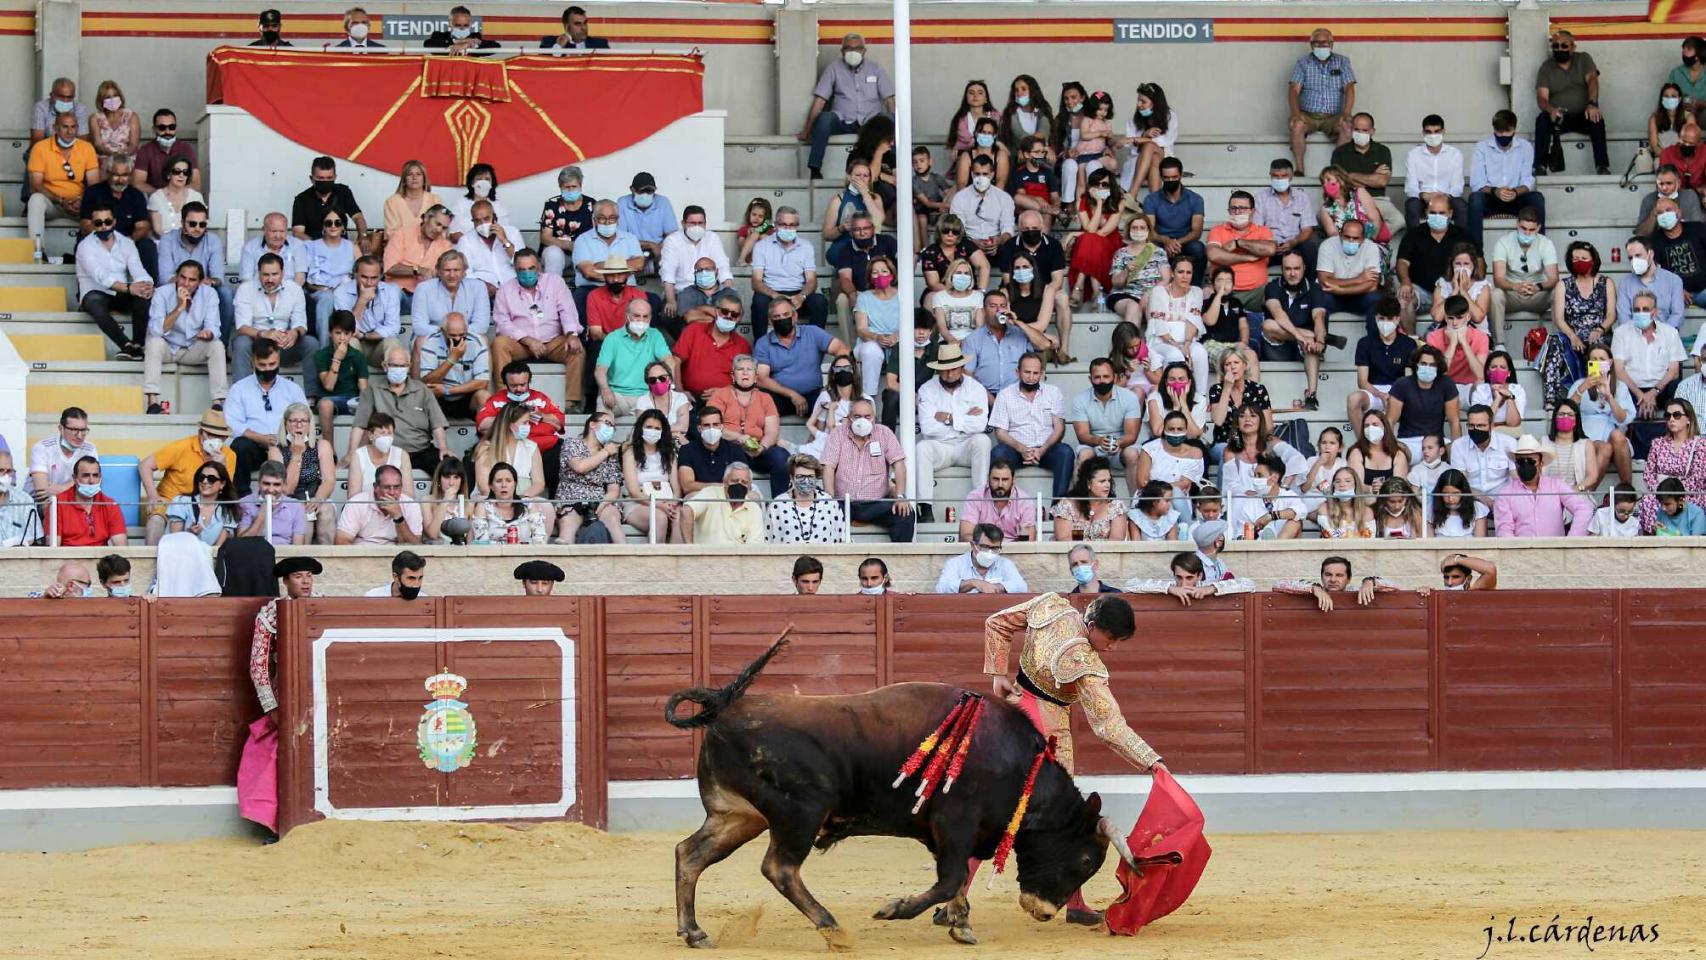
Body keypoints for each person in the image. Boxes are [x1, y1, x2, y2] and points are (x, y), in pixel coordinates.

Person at [797, 33, 895, 182]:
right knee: (824, 118)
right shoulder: (833, 68)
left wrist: (898, 127)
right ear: (842, 51)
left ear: (864, 51)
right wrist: (807, 129)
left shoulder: (876, 69)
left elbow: (889, 100)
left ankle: (895, 168)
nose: (853, 52)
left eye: (857, 48)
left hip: (870, 123)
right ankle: (815, 168)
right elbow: (820, 100)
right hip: (842, 120)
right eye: (848, 48)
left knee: (888, 121)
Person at [820, 398, 914, 542]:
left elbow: (899, 464)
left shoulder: (884, 433)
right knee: (823, 512)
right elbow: (828, 467)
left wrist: (900, 496)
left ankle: (899, 562)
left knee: (905, 513)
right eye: (857, 416)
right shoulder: (838, 434)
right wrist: (830, 499)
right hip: (844, 503)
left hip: (876, 504)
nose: (862, 420)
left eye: (867, 417)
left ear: (874, 418)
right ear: (849, 418)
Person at [914, 343, 991, 518]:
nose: (949, 374)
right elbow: (928, 428)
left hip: (966, 447)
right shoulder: (927, 389)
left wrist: (949, 418)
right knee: (922, 447)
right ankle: (925, 508)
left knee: (982, 440)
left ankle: (981, 504)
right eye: (945, 369)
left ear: (962, 367)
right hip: (940, 447)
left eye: (954, 369)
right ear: (939, 369)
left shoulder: (976, 388)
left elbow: (980, 425)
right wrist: (964, 418)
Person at [350, 346, 451, 476]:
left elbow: (437, 423)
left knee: (449, 470)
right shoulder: (372, 390)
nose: (398, 369)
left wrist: (443, 447)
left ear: (409, 366)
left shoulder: (422, 390)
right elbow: (360, 425)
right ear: (385, 366)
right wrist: (352, 453)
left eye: (402, 365)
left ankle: (436, 495)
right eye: (393, 365)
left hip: (421, 450)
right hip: (385, 452)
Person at [76, 196, 156, 359]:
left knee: (143, 296)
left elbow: (137, 269)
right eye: (98, 223)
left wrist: (146, 285)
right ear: (92, 224)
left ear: (114, 222)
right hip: (96, 292)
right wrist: (129, 288)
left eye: (107, 221)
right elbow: (101, 277)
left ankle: (138, 344)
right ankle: (126, 345)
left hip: (121, 293)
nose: (104, 226)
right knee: (94, 302)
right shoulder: (85, 246)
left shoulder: (126, 243)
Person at [144, 258, 227, 414]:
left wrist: (208, 333)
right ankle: (152, 402)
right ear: (176, 277)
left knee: (216, 345)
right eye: (183, 277)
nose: (186, 283)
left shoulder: (209, 294)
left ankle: (218, 402)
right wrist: (180, 307)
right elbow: (157, 330)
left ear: (201, 281)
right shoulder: (162, 293)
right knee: (154, 342)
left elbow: (214, 327)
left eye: (192, 280)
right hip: (168, 347)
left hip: (192, 348)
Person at [225, 341, 308, 494]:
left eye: (272, 364)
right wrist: (260, 438)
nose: (267, 369)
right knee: (239, 447)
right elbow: (232, 424)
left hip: (286, 445)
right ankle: (242, 499)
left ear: (279, 361)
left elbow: (304, 418)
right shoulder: (239, 389)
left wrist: (286, 438)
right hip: (254, 446)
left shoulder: (292, 389)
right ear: (253, 362)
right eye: (262, 365)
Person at [989, 352, 1071, 499]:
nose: (1031, 377)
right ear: (1017, 372)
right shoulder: (1005, 395)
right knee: (998, 453)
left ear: (1042, 374)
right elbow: (1000, 433)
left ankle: (1059, 506)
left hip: (1046, 449)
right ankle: (1000, 503)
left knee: (1065, 452)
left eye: (1035, 373)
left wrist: (1042, 450)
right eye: (1027, 372)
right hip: (1016, 450)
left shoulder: (1053, 392)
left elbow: (1059, 428)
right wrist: (1022, 449)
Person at [1262, 251, 1335, 410]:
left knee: (1312, 344)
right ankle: (1313, 338)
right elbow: (1279, 316)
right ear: (1282, 269)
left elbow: (1318, 318)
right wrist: (1303, 336)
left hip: (1304, 349)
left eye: (1296, 268)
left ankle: (1312, 396)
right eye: (1288, 269)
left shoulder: (1314, 289)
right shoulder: (1272, 287)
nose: (1292, 273)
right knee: (1268, 325)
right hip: (1278, 348)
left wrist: (1319, 341)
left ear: (1304, 268)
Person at [754, 300, 850, 418]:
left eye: (785, 315)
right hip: (780, 395)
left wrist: (832, 382)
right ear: (770, 320)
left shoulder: (812, 332)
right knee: (757, 405)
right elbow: (761, 378)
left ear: (795, 316)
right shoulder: (763, 343)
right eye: (776, 316)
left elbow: (842, 350)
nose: (782, 319)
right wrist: (792, 394)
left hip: (813, 394)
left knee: (833, 405)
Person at [232, 253, 316, 388]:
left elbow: (301, 324)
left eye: (274, 274)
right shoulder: (246, 289)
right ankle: (240, 394)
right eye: (265, 275)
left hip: (284, 345)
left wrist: (294, 333)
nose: (270, 279)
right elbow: (242, 327)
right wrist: (264, 334)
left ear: (282, 273)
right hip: (257, 343)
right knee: (241, 343)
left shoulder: (294, 289)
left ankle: (311, 398)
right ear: (258, 273)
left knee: (310, 343)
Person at [27, 111, 101, 265]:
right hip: (53, 203)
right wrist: (60, 200)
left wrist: (81, 201)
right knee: (35, 200)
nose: (70, 131)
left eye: (73, 127)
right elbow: (35, 185)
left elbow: (94, 185)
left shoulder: (86, 148)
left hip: (78, 205)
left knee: (100, 203)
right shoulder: (41, 148)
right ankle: (38, 252)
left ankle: (96, 257)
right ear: (55, 128)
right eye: (65, 127)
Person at [1534, 30, 1610, 177]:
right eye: (1555, 46)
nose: (1559, 49)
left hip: (1584, 114)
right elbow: (1541, 97)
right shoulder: (1546, 68)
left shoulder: (1583, 59)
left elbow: (1593, 81)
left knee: (1597, 120)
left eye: (1564, 46)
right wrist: (1551, 110)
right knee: (1542, 120)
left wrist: (1592, 103)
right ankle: (1540, 166)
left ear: (1573, 47)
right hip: (1560, 117)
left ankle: (1602, 166)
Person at [749, 206, 829, 339]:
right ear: (775, 225)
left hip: (797, 294)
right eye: (783, 225)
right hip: (772, 293)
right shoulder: (762, 246)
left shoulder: (806, 246)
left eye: (792, 225)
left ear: (797, 226)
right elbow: (756, 281)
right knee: (759, 302)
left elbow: (811, 281)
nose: (788, 229)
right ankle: (760, 348)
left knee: (819, 302)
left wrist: (802, 296)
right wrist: (774, 295)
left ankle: (816, 345)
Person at [1467, 110, 1543, 249]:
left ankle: (1540, 249)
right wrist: (1495, 191)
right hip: (1491, 197)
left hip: (1516, 197)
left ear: (1514, 129)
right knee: (1475, 199)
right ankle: (1476, 254)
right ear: (1494, 129)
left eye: (1506, 131)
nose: (1502, 135)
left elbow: (1527, 180)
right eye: (1499, 131)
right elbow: (1477, 182)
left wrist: (1515, 192)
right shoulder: (1482, 147)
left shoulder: (1525, 147)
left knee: (1537, 198)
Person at [156, 203, 233, 338]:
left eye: (202, 225)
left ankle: (221, 344)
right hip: (175, 287)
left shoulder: (213, 240)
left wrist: (208, 282)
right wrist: (187, 284)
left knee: (225, 293)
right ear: (182, 223)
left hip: (204, 288)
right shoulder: (167, 239)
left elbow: (218, 277)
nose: (197, 229)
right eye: (192, 224)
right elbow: (165, 277)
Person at [1491, 434, 1591, 537]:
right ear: (1515, 465)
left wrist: (1572, 540)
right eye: (1521, 461)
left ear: (1541, 463)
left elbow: (1583, 509)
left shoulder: (1556, 485)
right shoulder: (1505, 494)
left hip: (1555, 550)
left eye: (1531, 461)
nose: (1525, 465)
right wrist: (1517, 551)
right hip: (1522, 551)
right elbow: (1504, 531)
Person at [267, 402, 337, 545]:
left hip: (315, 495)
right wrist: (296, 455)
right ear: (286, 424)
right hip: (289, 500)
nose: (299, 425)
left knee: (327, 511)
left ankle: (329, 560)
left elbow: (329, 480)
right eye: (293, 421)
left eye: (303, 421)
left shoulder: (321, 445)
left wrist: (318, 498)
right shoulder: (276, 450)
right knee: (304, 515)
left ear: (309, 425)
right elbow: (287, 489)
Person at [1488, 207, 1558, 349]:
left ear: (1538, 228)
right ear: (1517, 224)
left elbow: (1553, 278)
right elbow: (1498, 279)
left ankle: (1557, 342)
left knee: (1558, 291)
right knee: (1496, 294)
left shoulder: (1546, 243)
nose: (1527, 233)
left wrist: (1538, 287)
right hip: (1512, 294)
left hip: (1537, 294)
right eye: (1523, 228)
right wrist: (1515, 287)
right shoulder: (1503, 242)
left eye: (1531, 230)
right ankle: (1499, 344)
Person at [1568, 343, 1637, 487]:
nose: (1598, 363)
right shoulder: (1580, 384)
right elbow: (1567, 410)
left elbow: (1623, 418)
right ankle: (1586, 493)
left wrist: (1609, 397)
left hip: (1612, 437)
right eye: (1593, 360)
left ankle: (1627, 491)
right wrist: (1584, 387)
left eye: (1601, 359)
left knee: (1617, 436)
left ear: (1610, 362)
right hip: (1587, 437)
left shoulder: (1619, 386)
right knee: (1605, 448)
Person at [1287, 27, 1355, 169]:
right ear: (1311, 45)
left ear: (1331, 43)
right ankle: (1300, 169)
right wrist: (1296, 114)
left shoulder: (1342, 62)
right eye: (1317, 43)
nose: (1321, 46)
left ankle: (1337, 169)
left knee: (1348, 127)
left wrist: (1347, 112)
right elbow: (1294, 90)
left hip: (1333, 116)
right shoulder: (1303, 63)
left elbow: (1349, 88)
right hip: (1308, 115)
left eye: (1325, 43)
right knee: (1296, 125)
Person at [1071, 358, 1142, 493]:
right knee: (1084, 454)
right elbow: (1082, 435)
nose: (1102, 381)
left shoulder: (1130, 397)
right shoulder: (1079, 400)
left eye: (1106, 376)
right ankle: (1079, 503)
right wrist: (1099, 441)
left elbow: (1132, 435)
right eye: (1097, 377)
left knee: (1132, 454)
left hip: (1121, 447)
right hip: (1094, 445)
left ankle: (1136, 505)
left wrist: (1117, 443)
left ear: (1114, 377)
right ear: (1090, 378)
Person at [1397, 193, 1474, 317]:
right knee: (1404, 298)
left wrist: (1462, 286)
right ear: (1426, 212)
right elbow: (1402, 262)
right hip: (1422, 292)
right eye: (1433, 213)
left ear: (1450, 213)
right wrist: (1406, 281)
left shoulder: (1462, 236)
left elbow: (1478, 263)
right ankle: (1411, 336)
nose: (1437, 216)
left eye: (1442, 213)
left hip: (1453, 291)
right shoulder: (1413, 235)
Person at [1612, 292, 1687, 419]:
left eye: (1645, 309)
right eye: (1636, 310)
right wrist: (1641, 395)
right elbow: (1619, 371)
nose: (1640, 313)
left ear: (1654, 312)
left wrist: (1654, 392)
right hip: (1632, 388)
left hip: (1661, 388)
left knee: (1678, 386)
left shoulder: (1670, 333)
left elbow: (1674, 371)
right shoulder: (1621, 333)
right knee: (1618, 388)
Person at [1637, 398, 1706, 532]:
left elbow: (1699, 477)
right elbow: (1649, 474)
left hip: (1688, 493)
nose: (1671, 419)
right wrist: (1664, 492)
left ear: (1688, 419)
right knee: (1648, 501)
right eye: (1668, 416)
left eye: (1677, 415)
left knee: (1693, 504)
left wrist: (1674, 492)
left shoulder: (1700, 445)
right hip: (1661, 492)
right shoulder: (1658, 443)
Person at [552, 412, 623, 543]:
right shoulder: (572, 444)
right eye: (607, 423)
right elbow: (580, 467)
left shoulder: (611, 454)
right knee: (568, 525)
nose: (611, 428)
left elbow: (614, 489)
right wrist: (605, 452)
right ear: (592, 424)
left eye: (613, 426)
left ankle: (627, 558)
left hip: (600, 500)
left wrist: (601, 505)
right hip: (570, 497)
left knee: (613, 520)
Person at [83, 156, 156, 282]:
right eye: (116, 175)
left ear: (131, 175)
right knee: (82, 242)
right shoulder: (93, 193)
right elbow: (86, 225)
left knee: (147, 246)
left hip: (128, 241)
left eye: (125, 175)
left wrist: (126, 242)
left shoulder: (136, 195)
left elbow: (143, 226)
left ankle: (149, 290)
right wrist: (107, 242)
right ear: (108, 173)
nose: (120, 180)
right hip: (99, 239)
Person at [1347, 298, 1417, 429]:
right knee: (1353, 399)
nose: (1385, 323)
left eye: (1390, 319)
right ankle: (1362, 443)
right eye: (1381, 318)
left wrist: (1394, 395)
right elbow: (1362, 381)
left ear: (1397, 319)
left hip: (1398, 392)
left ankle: (1388, 442)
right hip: (1373, 391)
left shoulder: (1409, 344)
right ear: (1375, 318)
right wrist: (1380, 394)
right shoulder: (1365, 343)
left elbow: (1408, 379)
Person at [321, 256, 403, 364]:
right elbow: (346, 327)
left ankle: (394, 380)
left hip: (379, 344)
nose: (369, 283)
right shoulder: (341, 292)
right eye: (364, 277)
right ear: (355, 274)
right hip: (355, 341)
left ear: (381, 276)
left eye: (374, 278)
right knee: (348, 341)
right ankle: (352, 380)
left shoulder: (390, 292)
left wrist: (366, 336)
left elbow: (393, 328)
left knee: (393, 343)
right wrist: (362, 300)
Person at [1387, 344, 1463, 459]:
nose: (1427, 367)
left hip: (1436, 442)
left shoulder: (1446, 384)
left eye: (1432, 365)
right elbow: (1390, 420)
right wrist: (1390, 446)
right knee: (1399, 454)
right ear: (1416, 365)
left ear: (1438, 368)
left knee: (1454, 451)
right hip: (1408, 441)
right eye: (1423, 364)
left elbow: (1454, 421)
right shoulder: (1402, 385)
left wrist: (1458, 451)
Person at [1206, 191, 1277, 313]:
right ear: (1228, 211)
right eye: (1233, 208)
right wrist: (1247, 258)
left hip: (1257, 292)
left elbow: (1270, 249)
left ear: (1252, 211)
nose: (1237, 212)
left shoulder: (1262, 231)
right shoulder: (1217, 230)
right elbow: (1214, 255)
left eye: (1242, 208)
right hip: (1224, 290)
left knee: (1275, 293)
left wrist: (1239, 243)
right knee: (1206, 293)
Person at [622, 409, 685, 543]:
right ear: (641, 429)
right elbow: (633, 491)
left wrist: (672, 504)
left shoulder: (669, 455)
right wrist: (658, 505)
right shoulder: (630, 453)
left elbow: (677, 489)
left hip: (667, 503)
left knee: (680, 515)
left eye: (657, 428)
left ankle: (675, 561)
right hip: (637, 504)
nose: (653, 431)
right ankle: (657, 562)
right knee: (659, 517)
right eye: (649, 427)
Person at [1140, 156, 1208, 281]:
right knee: (1147, 247)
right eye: (1166, 178)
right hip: (1160, 241)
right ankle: (1151, 289)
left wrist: (1176, 243)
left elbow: (1196, 232)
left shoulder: (1195, 199)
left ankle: (1194, 289)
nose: (1170, 180)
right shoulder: (1151, 199)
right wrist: (1166, 241)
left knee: (1198, 248)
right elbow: (1149, 230)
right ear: (1161, 177)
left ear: (1180, 175)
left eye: (1174, 177)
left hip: (1185, 242)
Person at [661, 206, 734, 320]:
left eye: (700, 223)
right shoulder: (672, 241)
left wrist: (728, 295)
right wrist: (671, 301)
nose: (697, 226)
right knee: (670, 314)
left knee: (732, 309)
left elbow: (723, 269)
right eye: (692, 223)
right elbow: (668, 274)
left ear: (705, 224)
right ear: (683, 223)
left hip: (710, 292)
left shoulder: (712, 238)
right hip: (682, 293)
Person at [417, 311, 492, 419]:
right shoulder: (431, 342)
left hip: (466, 395)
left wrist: (448, 390)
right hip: (439, 398)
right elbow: (427, 381)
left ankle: (485, 434)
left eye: (462, 335)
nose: (457, 339)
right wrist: (452, 359)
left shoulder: (477, 343)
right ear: (443, 331)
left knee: (484, 397)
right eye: (452, 335)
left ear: (467, 330)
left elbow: (482, 383)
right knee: (424, 396)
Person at [1067, 168, 1124, 308]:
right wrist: (1099, 204)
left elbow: (1103, 232)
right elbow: (1090, 229)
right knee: (1090, 239)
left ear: (1111, 187)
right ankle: (1097, 291)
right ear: (1090, 186)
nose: (1100, 187)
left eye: (1104, 185)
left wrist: (1076, 234)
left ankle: (1078, 286)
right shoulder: (1082, 200)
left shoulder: (1119, 201)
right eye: (1096, 184)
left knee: (1090, 239)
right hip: (1086, 245)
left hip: (1110, 244)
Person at [381, 204, 453, 311]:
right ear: (426, 217)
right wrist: (418, 270)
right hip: (400, 292)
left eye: (444, 228)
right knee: (392, 293)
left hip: (427, 296)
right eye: (437, 224)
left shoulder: (446, 245)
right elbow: (389, 268)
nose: (439, 230)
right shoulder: (402, 234)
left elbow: (447, 274)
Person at [764, 453, 847, 544]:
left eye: (810, 476)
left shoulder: (830, 503)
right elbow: (768, 541)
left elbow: (842, 538)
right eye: (801, 476)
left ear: (816, 478)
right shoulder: (777, 505)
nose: (806, 480)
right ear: (791, 478)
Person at [1125, 550, 1257, 606]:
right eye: (1179, 577)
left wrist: (1211, 588)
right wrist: (1169, 588)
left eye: (1189, 578)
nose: (1183, 584)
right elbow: (1129, 584)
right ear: (1174, 575)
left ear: (1199, 576)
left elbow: (1250, 584)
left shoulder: (1206, 585)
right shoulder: (1171, 585)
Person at [46, 457, 126, 548]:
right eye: (86, 475)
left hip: (101, 559)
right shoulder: (57, 504)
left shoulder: (110, 504)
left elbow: (121, 546)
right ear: (75, 478)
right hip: (69, 559)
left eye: (95, 475)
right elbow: (53, 550)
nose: (91, 481)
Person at [290, 156, 368, 249]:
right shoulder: (302, 199)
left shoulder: (343, 192)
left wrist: (363, 236)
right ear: (311, 178)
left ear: (335, 177)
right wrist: (320, 247)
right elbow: (298, 232)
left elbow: (358, 217)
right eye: (321, 178)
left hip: (342, 248)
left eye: (329, 178)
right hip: (313, 249)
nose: (325, 181)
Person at [948, 154, 1016, 259]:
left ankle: (1006, 275)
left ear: (992, 175)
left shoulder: (1004, 198)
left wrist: (998, 241)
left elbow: (1007, 228)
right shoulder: (960, 198)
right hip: (969, 244)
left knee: (1009, 250)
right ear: (971, 174)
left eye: (985, 174)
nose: (981, 178)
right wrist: (974, 242)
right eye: (977, 174)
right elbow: (958, 228)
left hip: (996, 245)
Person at [336, 464, 424, 546]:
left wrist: (399, 518)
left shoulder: (410, 505)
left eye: (397, 487)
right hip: (363, 553)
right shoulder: (357, 502)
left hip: (396, 556)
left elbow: (416, 546)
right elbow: (341, 541)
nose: (392, 493)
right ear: (375, 487)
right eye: (387, 487)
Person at [1224, 451, 1305, 540]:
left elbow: (1302, 511)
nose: (1255, 479)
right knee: (1249, 531)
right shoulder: (1250, 503)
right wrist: (1255, 530)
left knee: (1295, 522)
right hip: (1259, 547)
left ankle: (1275, 546)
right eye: (1255, 475)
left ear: (1274, 478)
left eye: (1259, 475)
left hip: (1284, 547)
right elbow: (1240, 535)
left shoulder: (1288, 495)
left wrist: (1270, 517)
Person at [161, 455, 238, 548]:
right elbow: (174, 540)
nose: (205, 481)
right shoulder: (181, 502)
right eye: (201, 477)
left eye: (211, 479)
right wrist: (189, 534)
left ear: (222, 484)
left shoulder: (227, 509)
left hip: (209, 559)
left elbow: (218, 549)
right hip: (181, 556)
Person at [474, 402, 546, 500]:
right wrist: (505, 502)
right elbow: (484, 486)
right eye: (524, 423)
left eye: (528, 423)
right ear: (509, 424)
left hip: (524, 499)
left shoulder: (532, 447)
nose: (528, 426)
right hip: (492, 499)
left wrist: (521, 500)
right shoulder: (486, 447)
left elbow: (539, 483)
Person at [1426, 295, 1491, 403]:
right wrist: (1452, 343)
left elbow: (1480, 374)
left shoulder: (1481, 337)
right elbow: (1436, 373)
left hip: (1470, 388)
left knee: (1481, 386)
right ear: (1445, 318)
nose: (1455, 323)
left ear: (1468, 317)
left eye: (1459, 317)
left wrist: (1464, 343)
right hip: (1444, 387)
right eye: (1450, 318)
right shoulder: (1433, 337)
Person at [681, 462, 764, 545]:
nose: (739, 485)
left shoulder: (754, 509)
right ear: (724, 481)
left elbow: (754, 546)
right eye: (735, 481)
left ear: (750, 486)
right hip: (706, 556)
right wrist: (690, 547)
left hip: (738, 557)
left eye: (744, 482)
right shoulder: (710, 494)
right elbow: (687, 510)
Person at [1254, 158, 1318, 266]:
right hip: (1269, 247)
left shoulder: (1302, 198)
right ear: (1270, 175)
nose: (1279, 179)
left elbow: (1307, 230)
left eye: (1283, 176)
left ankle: (1310, 283)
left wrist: (1294, 242)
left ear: (1291, 176)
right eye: (1275, 176)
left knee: (1309, 248)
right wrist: (1270, 244)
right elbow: (1257, 228)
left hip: (1294, 246)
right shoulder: (1261, 197)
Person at [676, 406, 750, 498]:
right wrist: (718, 487)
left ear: (721, 427)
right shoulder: (687, 450)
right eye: (706, 425)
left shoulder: (735, 450)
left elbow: (745, 481)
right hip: (701, 495)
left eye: (715, 425)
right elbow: (687, 486)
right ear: (699, 428)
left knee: (753, 496)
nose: (711, 429)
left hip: (730, 495)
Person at [1276, 556, 1397, 612]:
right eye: (1328, 575)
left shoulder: (1355, 591)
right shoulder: (1312, 592)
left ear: (1348, 579)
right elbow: (1278, 584)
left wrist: (1370, 582)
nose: (1333, 580)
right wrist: (1315, 589)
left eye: (1339, 575)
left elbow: (1395, 586)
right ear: (1322, 577)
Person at [934, 522, 1026, 595]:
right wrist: (974, 583)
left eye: (995, 548)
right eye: (985, 547)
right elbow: (941, 589)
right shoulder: (955, 564)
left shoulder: (1005, 564)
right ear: (973, 545)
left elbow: (1022, 587)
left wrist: (994, 587)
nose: (990, 552)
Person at [1052, 456, 1129, 542]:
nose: (1107, 485)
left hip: (1106, 554)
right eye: (1102, 481)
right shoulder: (1066, 506)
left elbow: (1116, 541)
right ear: (1088, 483)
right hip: (1073, 554)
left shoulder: (1116, 507)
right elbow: (1063, 540)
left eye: (1109, 480)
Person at [538, 165, 596, 279]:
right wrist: (568, 245)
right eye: (566, 187)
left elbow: (597, 233)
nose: (570, 190)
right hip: (559, 252)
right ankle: (552, 291)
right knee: (553, 254)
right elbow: (545, 237)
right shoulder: (552, 204)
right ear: (560, 187)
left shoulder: (591, 204)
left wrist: (580, 248)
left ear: (580, 185)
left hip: (585, 252)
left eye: (574, 186)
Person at [1618, 236, 1686, 334]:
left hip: (1667, 339)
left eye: (1638, 255)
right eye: (1630, 258)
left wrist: (1661, 335)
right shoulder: (1625, 283)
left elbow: (1677, 315)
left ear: (1651, 254)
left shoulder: (1673, 280)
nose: (1634, 261)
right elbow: (1624, 318)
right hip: (1634, 339)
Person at [959, 460, 1038, 543]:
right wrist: (987, 546)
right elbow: (966, 534)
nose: (1000, 485)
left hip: (1014, 551)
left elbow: (1028, 539)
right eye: (996, 479)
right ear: (988, 478)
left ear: (1013, 479)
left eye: (1005, 480)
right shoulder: (975, 497)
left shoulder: (1024, 501)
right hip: (983, 549)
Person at [1449, 404, 1518, 500]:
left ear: (1491, 425)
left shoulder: (1508, 443)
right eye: (1471, 425)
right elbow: (1461, 483)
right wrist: (1484, 500)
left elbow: (1517, 478)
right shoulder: (1458, 445)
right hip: (1472, 499)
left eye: (1481, 425)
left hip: (1504, 499)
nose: (1476, 429)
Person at [475, 461, 551, 545]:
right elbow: (481, 543)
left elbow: (540, 540)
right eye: (499, 481)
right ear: (491, 486)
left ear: (515, 484)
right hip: (493, 556)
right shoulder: (483, 507)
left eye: (508, 480)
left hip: (526, 555)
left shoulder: (529, 505)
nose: (504, 485)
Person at [458, 200, 524, 294]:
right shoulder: (465, 241)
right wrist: (484, 287)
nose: (482, 224)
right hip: (484, 292)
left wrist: (505, 241)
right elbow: (466, 273)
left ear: (494, 217)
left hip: (514, 288)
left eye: (486, 219)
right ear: (473, 222)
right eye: (477, 221)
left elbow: (523, 262)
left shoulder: (512, 232)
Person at [1546, 398, 1608, 494]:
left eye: (1570, 415)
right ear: (1555, 418)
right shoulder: (1543, 442)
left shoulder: (1586, 444)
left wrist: (1576, 489)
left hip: (1576, 496)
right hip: (1548, 496)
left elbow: (1592, 477)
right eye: (1561, 414)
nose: (1565, 417)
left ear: (1576, 420)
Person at [617, 172, 677, 271]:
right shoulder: (622, 203)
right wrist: (650, 245)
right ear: (632, 190)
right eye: (641, 191)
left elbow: (672, 235)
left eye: (650, 191)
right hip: (632, 251)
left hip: (659, 252)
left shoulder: (663, 202)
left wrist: (660, 249)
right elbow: (621, 237)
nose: (645, 194)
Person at [1347, 408, 1412, 489]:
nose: (1370, 429)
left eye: (1375, 424)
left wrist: (1384, 488)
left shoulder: (1398, 454)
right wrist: (1372, 489)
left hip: (1391, 500)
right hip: (1365, 501)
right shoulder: (1356, 453)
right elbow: (1356, 486)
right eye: (1366, 426)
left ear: (1385, 427)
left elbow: (1400, 487)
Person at [239, 213, 309, 288]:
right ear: (264, 230)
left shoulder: (298, 245)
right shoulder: (250, 248)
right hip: (258, 293)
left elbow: (300, 277)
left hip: (290, 293)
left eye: (282, 231)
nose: (278, 236)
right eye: (274, 231)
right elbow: (246, 280)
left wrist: (290, 295)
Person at [383, 160, 443, 241]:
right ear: (404, 180)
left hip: (430, 249)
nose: (414, 178)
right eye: (410, 174)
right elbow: (391, 234)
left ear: (424, 179)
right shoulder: (391, 202)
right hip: (400, 250)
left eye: (418, 174)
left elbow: (441, 232)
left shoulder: (435, 199)